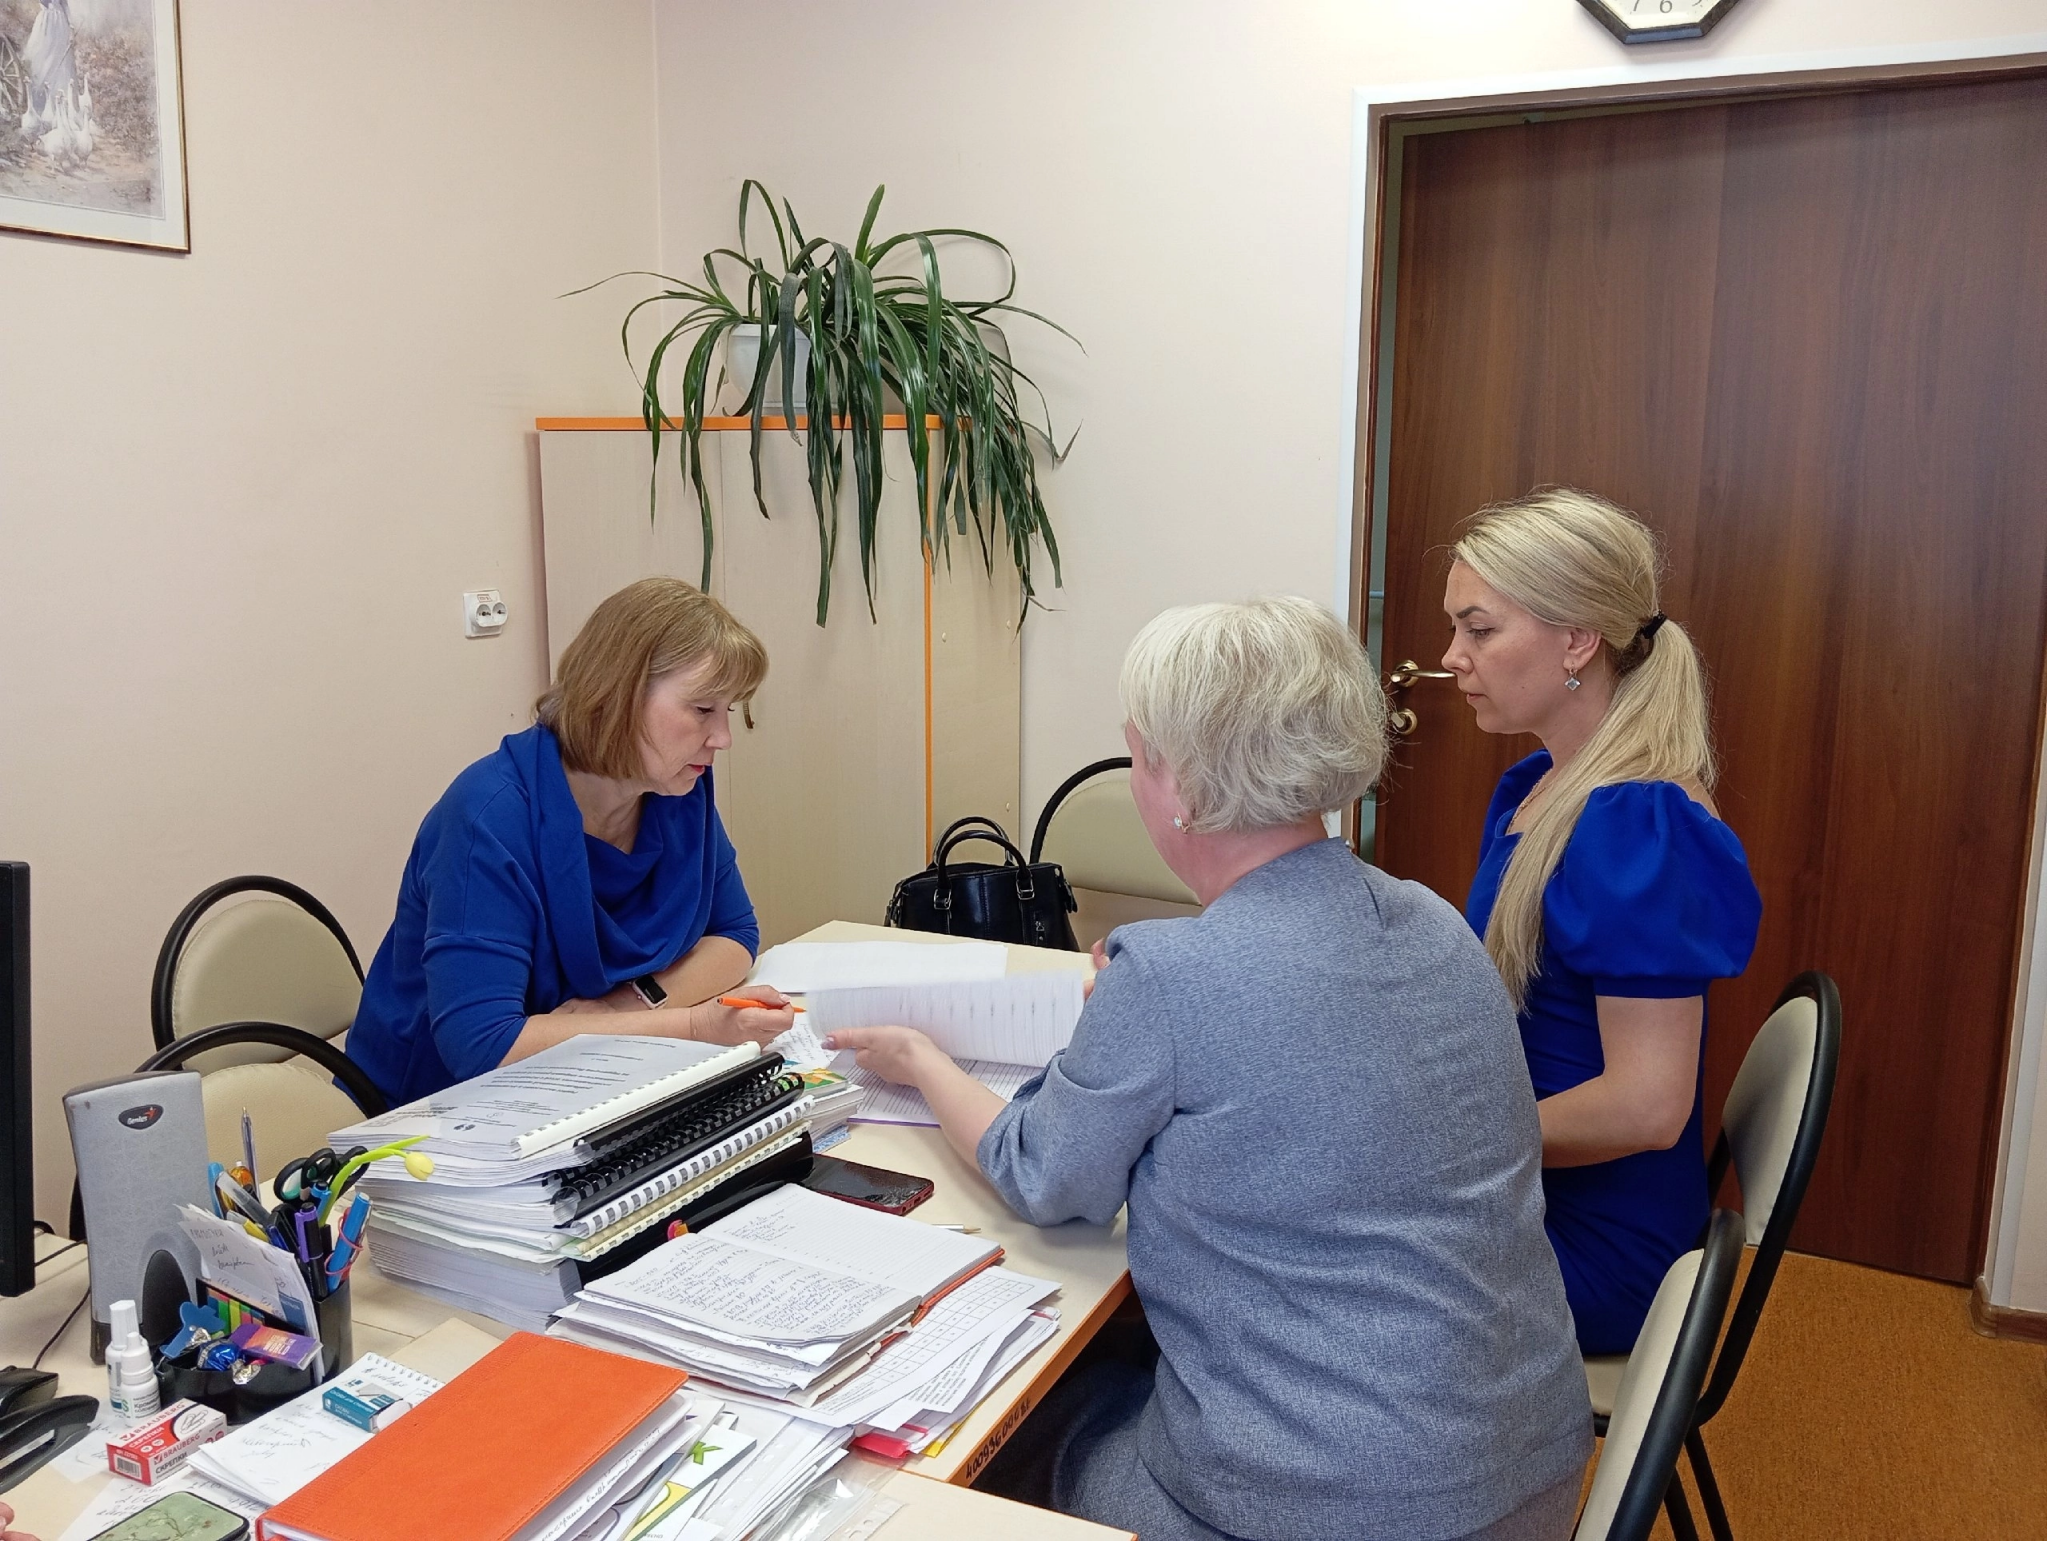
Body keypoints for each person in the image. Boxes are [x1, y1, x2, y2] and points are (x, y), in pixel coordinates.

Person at [831, 598, 1591, 1541]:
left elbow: (1041, 1173)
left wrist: (916, 1057)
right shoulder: (1433, 921)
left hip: (1336, 1512)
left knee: (1000, 1433)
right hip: (1532, 1474)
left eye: (1137, 756)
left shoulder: (1168, 975)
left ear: (1180, 780)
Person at [1443, 488, 1762, 1355]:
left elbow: (1646, 1105)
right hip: (1528, 1186)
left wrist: (1445, 1144)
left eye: (1479, 629)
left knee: (1291, 1242)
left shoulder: (1637, 825)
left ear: (1577, 639)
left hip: (1592, 1242)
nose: (1451, 657)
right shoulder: (1538, 788)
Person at [349, 578, 795, 1106]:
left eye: (728, 711)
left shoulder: (677, 787)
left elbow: (735, 934)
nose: (723, 737)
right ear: (618, 696)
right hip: (443, 1111)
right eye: (702, 710)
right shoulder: (488, 817)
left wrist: (629, 1006)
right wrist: (694, 1025)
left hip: (596, 1082)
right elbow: (483, 1045)